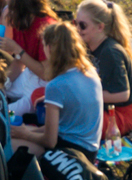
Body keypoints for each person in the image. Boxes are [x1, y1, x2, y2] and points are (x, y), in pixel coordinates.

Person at [8, 21, 103, 158]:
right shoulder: (89, 71)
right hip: (91, 149)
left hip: (70, 152)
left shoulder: (56, 85)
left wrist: (25, 134)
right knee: (18, 130)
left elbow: (50, 141)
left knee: (9, 141)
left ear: (50, 48)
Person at [76, 0, 132, 139]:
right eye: (75, 23)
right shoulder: (88, 45)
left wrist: (84, 96)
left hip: (121, 114)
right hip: (103, 108)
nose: (77, 30)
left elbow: (123, 95)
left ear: (100, 27)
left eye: (82, 25)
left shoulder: (110, 52)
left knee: (72, 120)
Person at [0, 0, 55, 115]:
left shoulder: (45, 26)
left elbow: (47, 74)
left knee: (3, 114)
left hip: (46, 84)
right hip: (29, 75)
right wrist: (4, 84)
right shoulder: (21, 19)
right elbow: (19, 62)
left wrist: (17, 50)